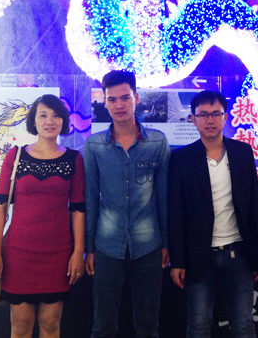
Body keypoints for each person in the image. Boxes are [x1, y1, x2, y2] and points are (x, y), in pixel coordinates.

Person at [0, 94, 85, 338]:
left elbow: (78, 209)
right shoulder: (15, 156)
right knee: (20, 325)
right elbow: (0, 209)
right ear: (34, 121)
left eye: (56, 115)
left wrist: (78, 252)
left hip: (58, 254)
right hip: (18, 253)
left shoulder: (74, 159)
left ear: (64, 120)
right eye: (43, 115)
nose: (50, 121)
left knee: (51, 324)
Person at [168, 90, 258, 338]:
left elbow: (253, 205)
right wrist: (177, 261)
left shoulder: (242, 153)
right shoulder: (181, 158)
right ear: (193, 119)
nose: (210, 120)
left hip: (239, 252)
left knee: (243, 324)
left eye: (215, 114)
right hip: (199, 256)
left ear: (225, 117)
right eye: (203, 115)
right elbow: (176, 213)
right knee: (199, 324)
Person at [84, 70, 171, 338]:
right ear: (105, 102)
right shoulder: (94, 145)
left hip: (149, 245)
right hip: (107, 245)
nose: (119, 105)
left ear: (136, 98)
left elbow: (163, 197)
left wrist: (166, 243)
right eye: (112, 100)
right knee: (103, 326)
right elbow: (90, 199)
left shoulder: (157, 141)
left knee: (148, 327)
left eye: (125, 98)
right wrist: (89, 249)